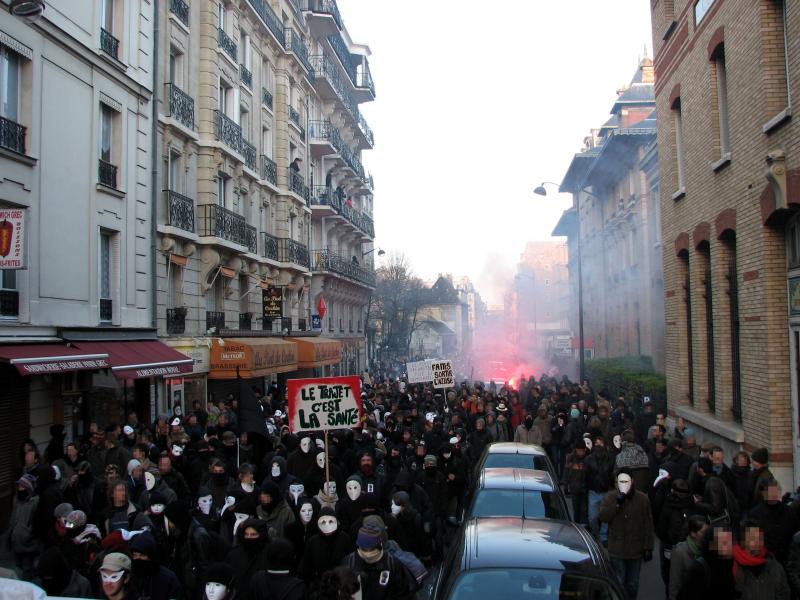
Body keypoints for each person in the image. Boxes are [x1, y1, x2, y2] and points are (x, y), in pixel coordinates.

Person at [598, 469, 654, 600]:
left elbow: (648, 523)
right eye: (619, 482)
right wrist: (617, 503)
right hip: (617, 548)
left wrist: (648, 547)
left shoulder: (642, 499)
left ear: (632, 481)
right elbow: (604, 517)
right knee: (619, 582)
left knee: (633, 584)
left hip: (636, 548)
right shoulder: (610, 497)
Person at [342, 525, 418, 600]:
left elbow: (406, 593)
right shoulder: (348, 564)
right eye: (365, 549)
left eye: (372, 549)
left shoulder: (392, 563)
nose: (369, 553)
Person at [733, 519, 790, 599]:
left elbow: (784, 594)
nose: (756, 543)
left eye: (759, 538)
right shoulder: (732, 566)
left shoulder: (774, 567)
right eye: (751, 539)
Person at [128, 531, 183, 600]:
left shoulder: (168, 578)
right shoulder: (131, 577)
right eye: (135, 555)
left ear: (151, 556)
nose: (138, 559)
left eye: (142, 555)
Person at [668, 515, 710, 600]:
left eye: (707, 532)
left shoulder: (707, 549)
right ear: (693, 533)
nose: (707, 535)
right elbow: (674, 584)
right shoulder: (679, 552)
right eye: (703, 532)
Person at [9, 474, 40, 580]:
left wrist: (29, 533)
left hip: (29, 542)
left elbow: (37, 522)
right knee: (19, 565)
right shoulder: (16, 500)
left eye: (22, 487)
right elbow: (13, 518)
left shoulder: (35, 502)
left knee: (26, 570)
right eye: (19, 487)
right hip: (16, 539)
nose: (20, 489)